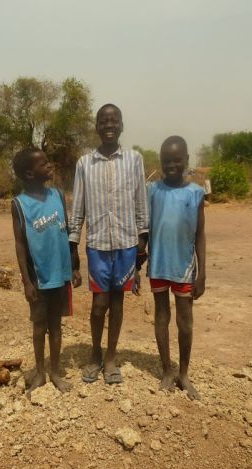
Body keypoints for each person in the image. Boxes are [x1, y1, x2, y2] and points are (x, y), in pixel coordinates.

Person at [69, 104, 149, 385]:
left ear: (122, 126)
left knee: (117, 304)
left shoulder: (134, 160)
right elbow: (77, 210)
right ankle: (95, 354)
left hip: (127, 244)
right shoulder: (84, 164)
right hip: (98, 246)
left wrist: (142, 241)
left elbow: (141, 203)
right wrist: (73, 250)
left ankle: (112, 358)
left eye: (114, 121)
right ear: (96, 127)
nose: (109, 125)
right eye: (103, 121)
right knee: (98, 305)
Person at [11, 148, 81, 395]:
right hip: (39, 278)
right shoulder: (19, 204)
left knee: (57, 326)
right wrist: (26, 281)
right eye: (44, 163)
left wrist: (74, 265)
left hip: (60, 275)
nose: (50, 165)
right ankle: (39, 372)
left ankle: (54, 371)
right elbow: (20, 244)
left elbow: (68, 231)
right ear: (30, 173)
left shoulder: (58, 196)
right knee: (40, 327)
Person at [147, 135, 206, 400]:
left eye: (177, 160)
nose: (172, 165)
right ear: (160, 162)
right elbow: (145, 229)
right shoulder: (153, 191)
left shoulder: (195, 193)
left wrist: (202, 272)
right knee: (161, 317)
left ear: (186, 161)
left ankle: (183, 373)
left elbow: (201, 234)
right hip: (158, 265)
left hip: (184, 267)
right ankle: (166, 371)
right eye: (166, 161)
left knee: (185, 322)